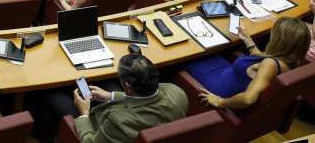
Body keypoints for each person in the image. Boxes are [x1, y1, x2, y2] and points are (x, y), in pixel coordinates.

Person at [38, 54, 187, 143]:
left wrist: (84, 114)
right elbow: (148, 97)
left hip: (99, 130)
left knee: (52, 95)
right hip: (143, 123)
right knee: (108, 84)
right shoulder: (177, 92)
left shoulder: (118, 122)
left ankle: (45, 136)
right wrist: (111, 96)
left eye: (121, 79)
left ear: (128, 86)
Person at [188, 18, 310, 110]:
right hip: (225, 73)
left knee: (189, 53)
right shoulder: (289, 61)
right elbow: (260, 61)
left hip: (219, 87)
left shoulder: (270, 65)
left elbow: (248, 98)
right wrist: (247, 40)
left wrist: (220, 102)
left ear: (279, 40)